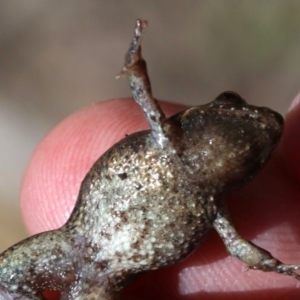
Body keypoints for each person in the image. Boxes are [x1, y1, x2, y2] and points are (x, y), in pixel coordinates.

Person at [20, 93, 300, 300]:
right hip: (79, 250)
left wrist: (134, 61)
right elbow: (242, 250)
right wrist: (280, 268)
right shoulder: (213, 207)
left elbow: (140, 90)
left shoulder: (166, 138)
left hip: (95, 273)